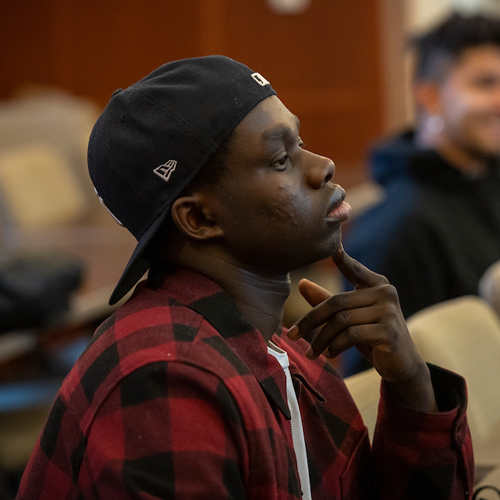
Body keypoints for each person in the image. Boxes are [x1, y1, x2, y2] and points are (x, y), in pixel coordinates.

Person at [17, 56, 473, 499]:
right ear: (198, 218)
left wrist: (411, 383)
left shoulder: (289, 352)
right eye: (280, 159)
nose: (322, 166)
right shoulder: (166, 381)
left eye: (300, 144)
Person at [343, 12, 500, 324]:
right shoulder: (394, 233)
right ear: (430, 97)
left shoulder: (489, 179)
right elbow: (379, 369)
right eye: (485, 84)